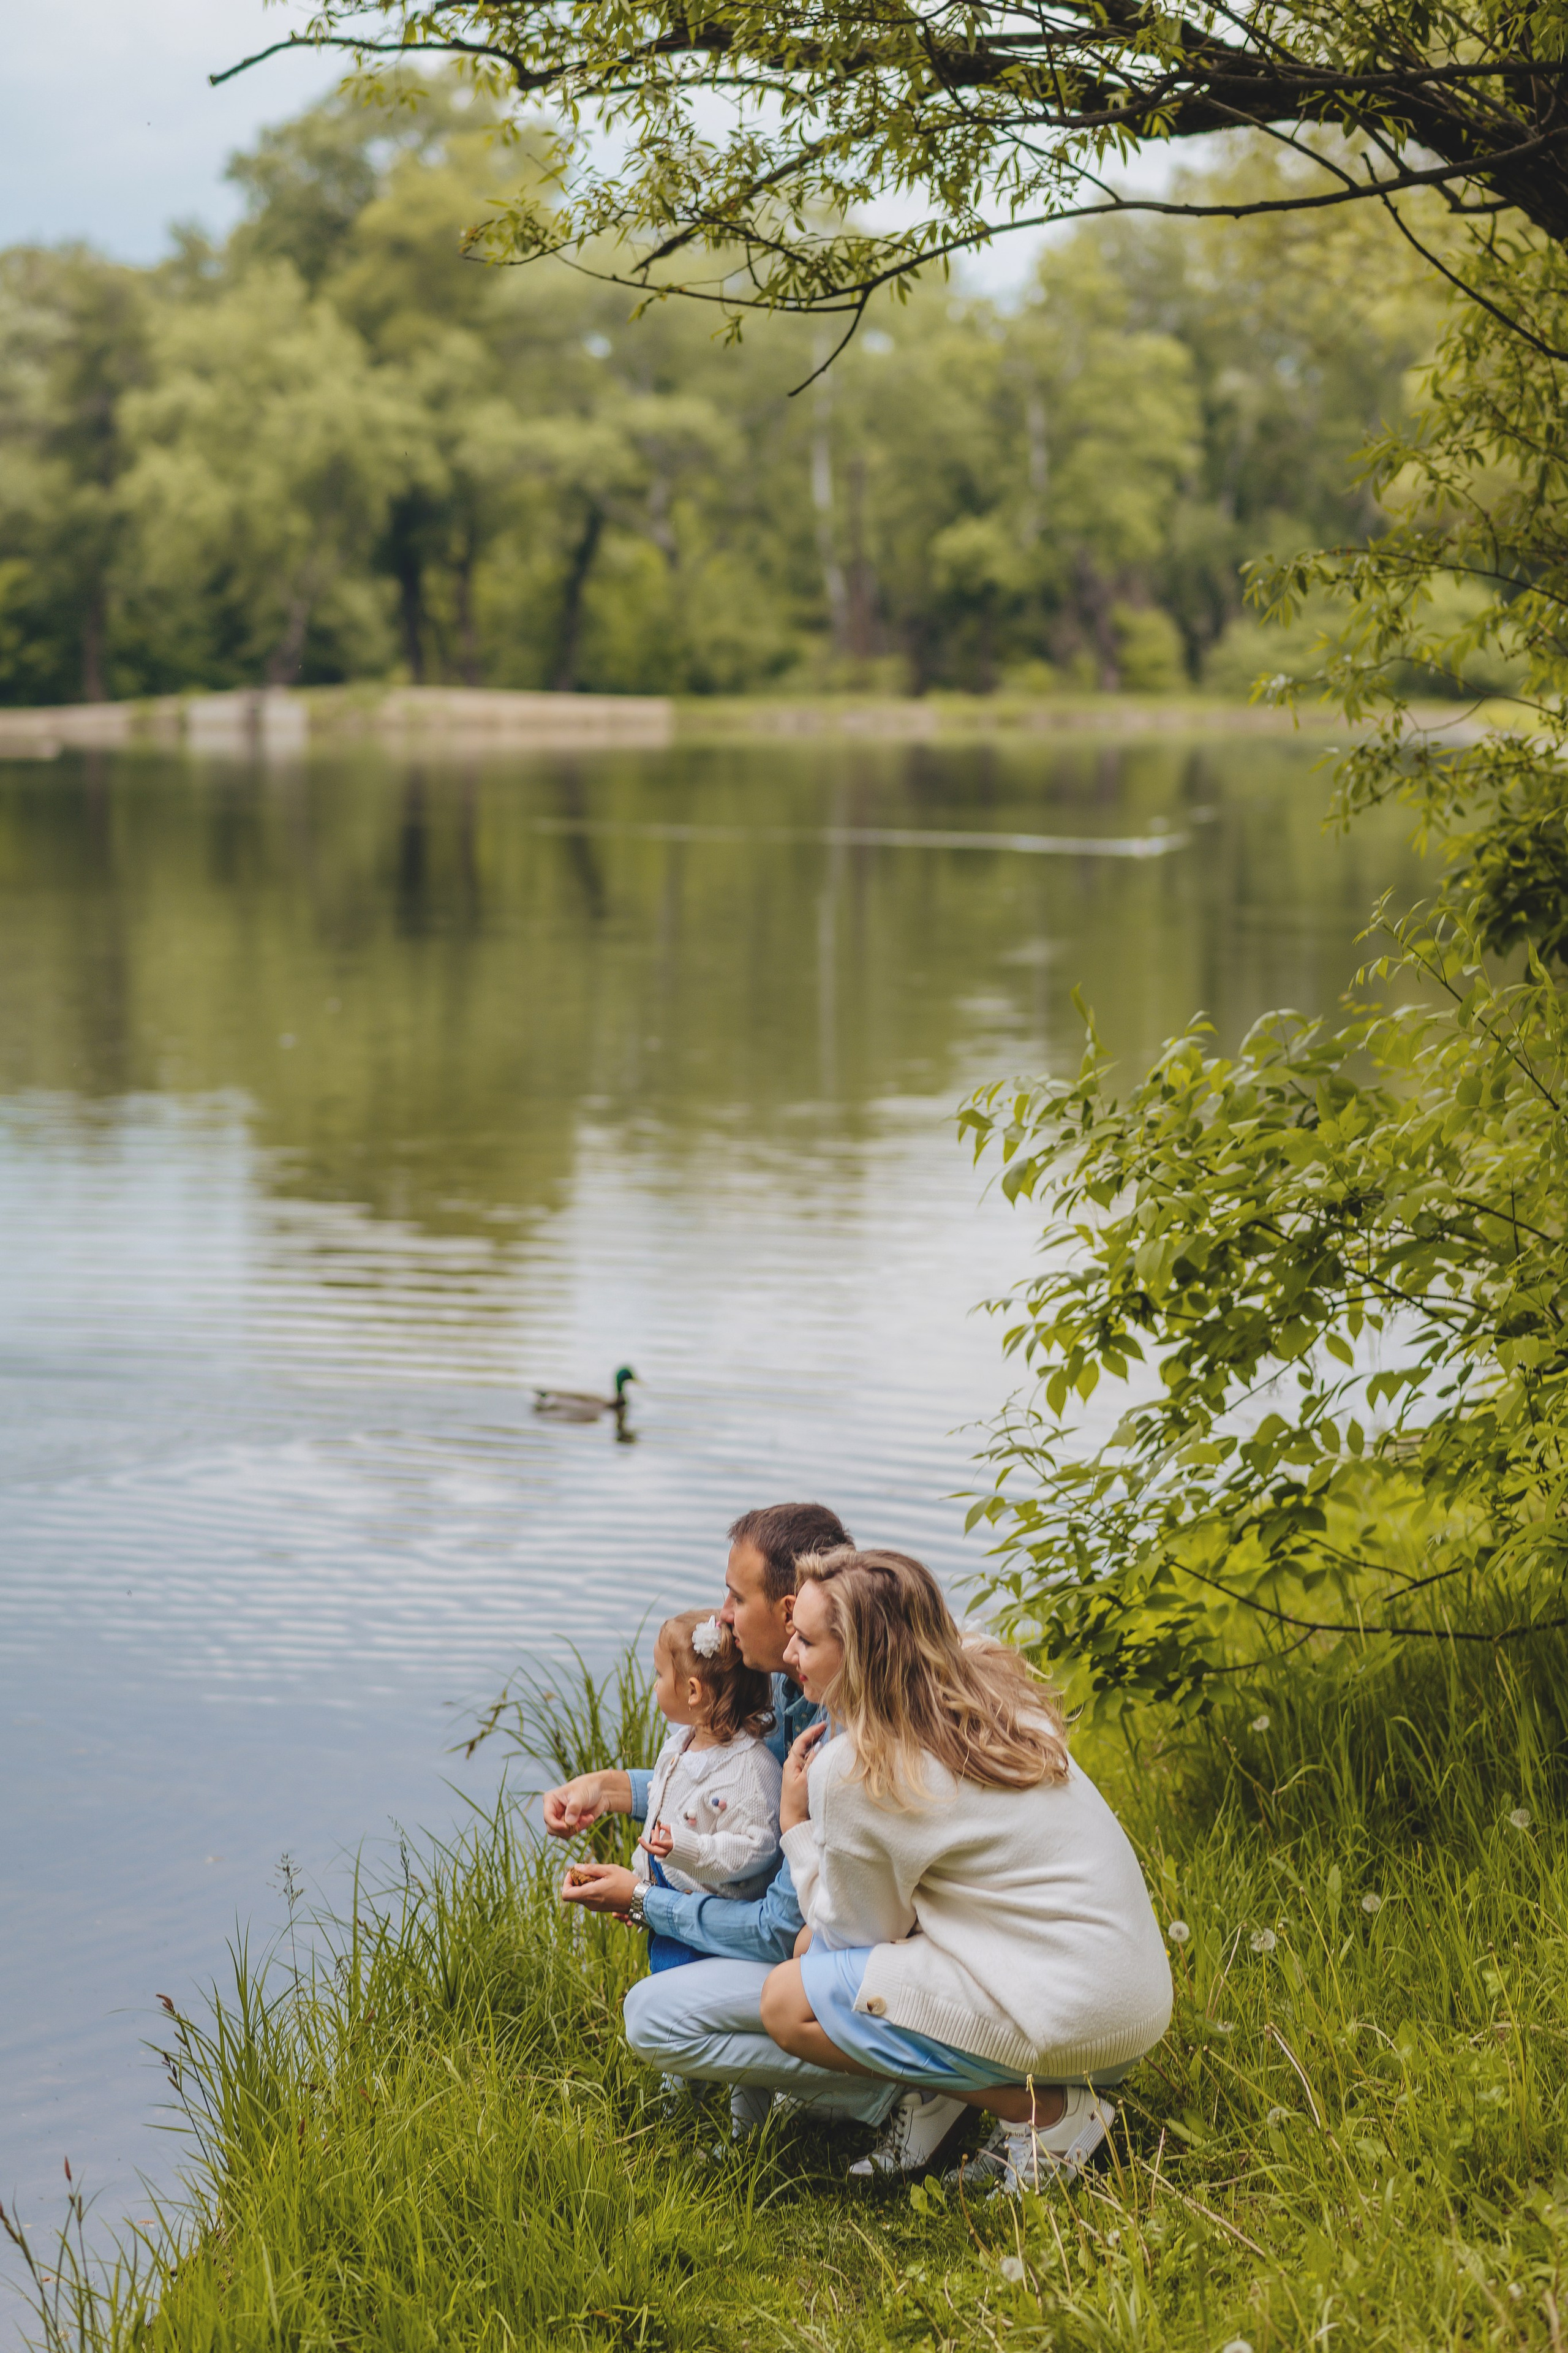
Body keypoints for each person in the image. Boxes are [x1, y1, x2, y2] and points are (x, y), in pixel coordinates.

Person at [757, 1547, 1174, 2192]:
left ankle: (1047, 2115)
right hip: (1132, 2005)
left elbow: (851, 1935)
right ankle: (940, 2098)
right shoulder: (985, 1687)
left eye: (807, 1641)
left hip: (1069, 2020)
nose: (790, 1654)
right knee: (836, 1950)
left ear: (862, 1655)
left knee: (790, 2001)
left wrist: (796, 1828)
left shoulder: (856, 1768)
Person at [548, 1502, 902, 2143]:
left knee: (650, 2016)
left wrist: (643, 1901)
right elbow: (730, 1790)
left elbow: (777, 1928)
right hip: (836, 1945)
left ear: (790, 1610)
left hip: (853, 1956)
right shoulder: (790, 1687)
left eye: (737, 1597)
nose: (723, 1615)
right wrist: (608, 1788)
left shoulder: (841, 1735)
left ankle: (869, 2085)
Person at [617, 1608, 781, 1974]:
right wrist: (639, 1887)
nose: (655, 1686)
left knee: (667, 1994)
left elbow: (759, 1846)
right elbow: (659, 1814)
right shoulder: (680, 1746)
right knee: (660, 1985)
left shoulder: (751, 1770)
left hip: (709, 1928)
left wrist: (690, 1849)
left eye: (660, 1675)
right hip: (670, 1902)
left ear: (693, 1691)